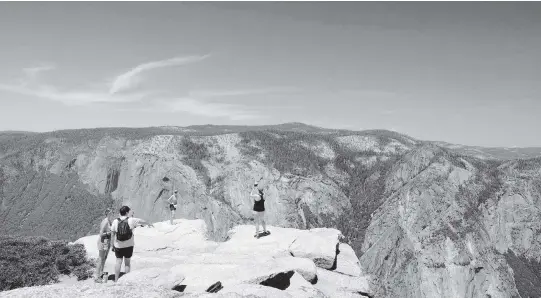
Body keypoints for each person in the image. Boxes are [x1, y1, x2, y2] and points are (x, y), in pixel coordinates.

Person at [110, 206, 153, 282]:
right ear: (126, 212)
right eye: (129, 211)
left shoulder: (115, 221)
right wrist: (149, 223)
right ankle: (126, 280)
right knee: (127, 263)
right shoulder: (131, 220)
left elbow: (112, 234)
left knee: (118, 262)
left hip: (118, 245)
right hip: (129, 245)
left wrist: (112, 245)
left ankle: (116, 280)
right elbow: (142, 221)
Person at [94, 208, 114, 283]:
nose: (112, 214)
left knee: (104, 258)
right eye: (111, 213)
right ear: (108, 214)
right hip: (102, 242)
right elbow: (101, 234)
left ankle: (101, 274)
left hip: (106, 242)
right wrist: (109, 233)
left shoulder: (109, 221)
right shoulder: (105, 221)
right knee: (100, 259)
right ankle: (97, 277)